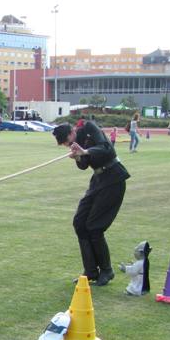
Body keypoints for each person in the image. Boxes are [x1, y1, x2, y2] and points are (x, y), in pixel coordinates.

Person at [52, 122, 130, 286]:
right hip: (98, 181)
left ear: (72, 132)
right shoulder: (75, 143)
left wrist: (85, 151)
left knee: (94, 226)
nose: (68, 145)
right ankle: (91, 271)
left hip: (113, 178)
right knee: (80, 223)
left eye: (67, 141)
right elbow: (84, 165)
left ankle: (106, 271)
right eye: (65, 145)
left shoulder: (89, 129)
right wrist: (78, 157)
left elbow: (107, 149)